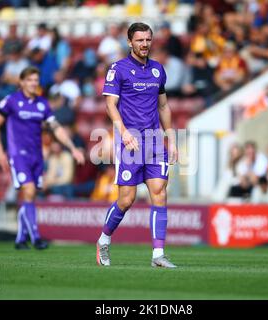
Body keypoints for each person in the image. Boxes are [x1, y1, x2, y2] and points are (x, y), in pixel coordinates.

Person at [96, 22, 178, 268]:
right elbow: (110, 105)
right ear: (130, 42)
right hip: (130, 143)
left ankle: (158, 255)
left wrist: (172, 139)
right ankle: (103, 241)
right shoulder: (118, 69)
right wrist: (123, 133)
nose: (144, 44)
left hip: (154, 143)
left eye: (148, 40)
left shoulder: (157, 70)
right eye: (140, 40)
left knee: (159, 193)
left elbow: (163, 106)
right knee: (127, 199)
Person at [0, 66, 85, 250]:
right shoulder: (11, 101)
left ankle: (20, 238)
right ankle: (36, 237)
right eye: (30, 80)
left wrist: (72, 148)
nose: (34, 83)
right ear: (21, 82)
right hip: (18, 154)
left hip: (37, 156)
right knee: (30, 190)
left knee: (29, 196)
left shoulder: (42, 104)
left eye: (36, 80)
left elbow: (56, 127)